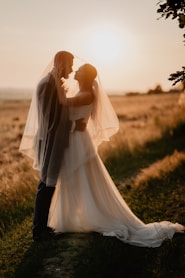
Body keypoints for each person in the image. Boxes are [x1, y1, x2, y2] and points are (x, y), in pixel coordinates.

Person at [47, 62, 184, 248]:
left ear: (86, 76)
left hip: (79, 141)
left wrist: (56, 79)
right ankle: (72, 216)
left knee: (82, 177)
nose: (76, 71)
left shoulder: (87, 94)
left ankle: (90, 215)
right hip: (74, 140)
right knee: (73, 178)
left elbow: (64, 103)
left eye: (79, 70)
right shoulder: (81, 92)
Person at [19, 51, 86, 241]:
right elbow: (51, 120)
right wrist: (74, 125)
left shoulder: (53, 83)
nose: (72, 70)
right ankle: (39, 230)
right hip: (50, 142)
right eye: (71, 65)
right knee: (46, 185)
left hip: (55, 141)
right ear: (62, 63)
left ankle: (45, 226)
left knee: (49, 183)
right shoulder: (48, 85)